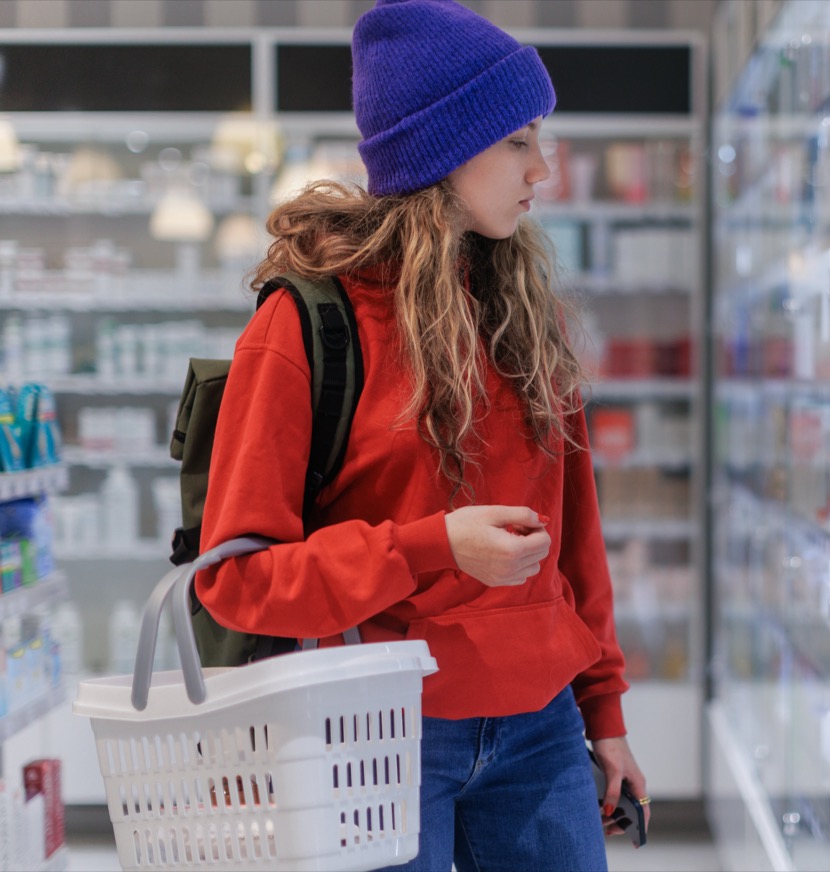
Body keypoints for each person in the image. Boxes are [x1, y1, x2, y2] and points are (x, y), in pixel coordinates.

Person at [193, 1, 649, 869]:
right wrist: (429, 547)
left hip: (542, 729)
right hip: (376, 735)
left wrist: (605, 713)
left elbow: (575, 544)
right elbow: (237, 581)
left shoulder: (528, 318)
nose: (543, 169)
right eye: (518, 141)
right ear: (441, 153)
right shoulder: (308, 325)